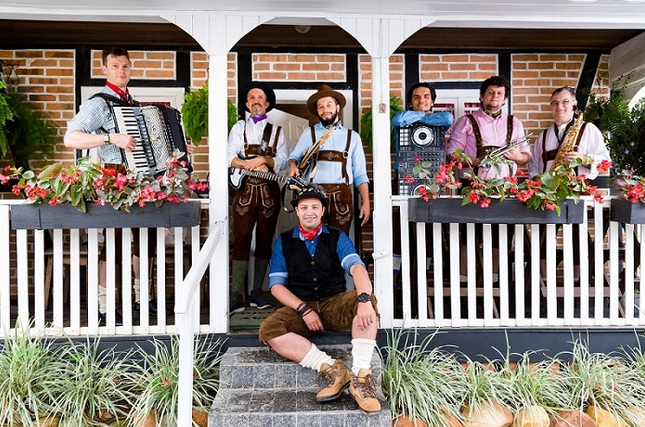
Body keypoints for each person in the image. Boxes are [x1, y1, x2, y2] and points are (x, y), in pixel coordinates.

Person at [64, 47, 188, 326]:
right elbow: (70, 138)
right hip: (116, 180)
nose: (122, 71)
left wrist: (178, 148)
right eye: (116, 65)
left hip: (144, 181)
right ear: (105, 69)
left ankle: (141, 299)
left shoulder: (133, 104)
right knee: (114, 243)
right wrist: (110, 139)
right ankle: (105, 307)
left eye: (126, 66)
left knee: (145, 242)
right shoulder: (99, 103)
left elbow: (155, 147)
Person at [258, 184, 380, 412]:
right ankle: (333, 369)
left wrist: (363, 299)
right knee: (269, 329)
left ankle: (360, 378)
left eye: (315, 206)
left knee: (368, 304)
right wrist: (303, 309)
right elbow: (276, 287)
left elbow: (357, 268)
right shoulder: (283, 242)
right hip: (300, 306)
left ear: (323, 210)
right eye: (304, 207)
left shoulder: (337, 236)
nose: (309, 212)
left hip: (334, 302)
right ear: (297, 211)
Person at [447, 75, 531, 283]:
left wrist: (517, 157)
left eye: (499, 93)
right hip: (472, 186)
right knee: (468, 234)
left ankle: (493, 281)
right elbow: (451, 154)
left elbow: (526, 155)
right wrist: (477, 161)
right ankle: (464, 282)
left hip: (506, 188)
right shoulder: (466, 122)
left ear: (505, 99)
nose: (494, 97)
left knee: (500, 235)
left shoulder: (515, 123)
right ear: (482, 96)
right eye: (490, 93)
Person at [528, 86, 610, 283]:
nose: (560, 106)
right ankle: (545, 281)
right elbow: (534, 165)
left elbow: (605, 160)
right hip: (548, 194)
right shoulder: (544, 135)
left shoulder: (589, 130)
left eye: (565, 102)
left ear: (574, 104)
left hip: (576, 193)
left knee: (578, 236)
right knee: (545, 237)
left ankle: (578, 281)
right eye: (555, 103)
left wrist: (584, 158)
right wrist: (538, 180)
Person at [227, 82, 288, 314]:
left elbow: (282, 160)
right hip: (243, 191)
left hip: (269, 193)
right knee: (241, 240)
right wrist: (249, 163)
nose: (256, 101)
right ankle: (235, 295)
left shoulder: (278, 131)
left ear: (267, 103)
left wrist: (264, 160)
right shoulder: (238, 128)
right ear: (246, 104)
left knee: (265, 241)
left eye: (260, 97)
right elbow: (229, 156)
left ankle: (256, 292)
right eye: (252, 97)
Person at [287, 84, 370, 236]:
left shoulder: (352, 137)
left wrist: (366, 202)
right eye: (320, 107)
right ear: (317, 111)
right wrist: (292, 165)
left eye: (329, 105)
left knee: (338, 241)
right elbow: (293, 157)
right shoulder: (309, 133)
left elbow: (360, 175)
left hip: (342, 195)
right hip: (314, 194)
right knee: (313, 240)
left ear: (337, 107)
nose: (325, 109)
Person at [392, 81, 453, 173]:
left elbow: (447, 118)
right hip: (405, 170)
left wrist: (418, 117)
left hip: (433, 170)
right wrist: (422, 113)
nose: (421, 100)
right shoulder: (402, 118)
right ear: (410, 103)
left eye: (426, 97)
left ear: (432, 102)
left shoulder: (441, 119)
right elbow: (398, 120)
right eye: (416, 97)